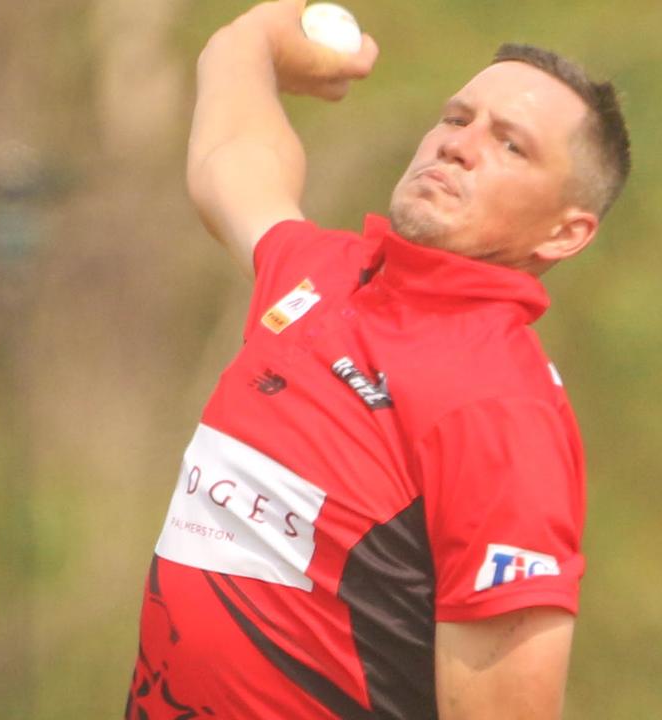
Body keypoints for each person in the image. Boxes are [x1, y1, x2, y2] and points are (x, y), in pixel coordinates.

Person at [125, 0, 631, 717]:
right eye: (457, 118)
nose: (459, 144)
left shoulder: (500, 411)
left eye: (511, 145)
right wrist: (251, 41)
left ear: (565, 232)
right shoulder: (322, 281)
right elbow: (228, 163)